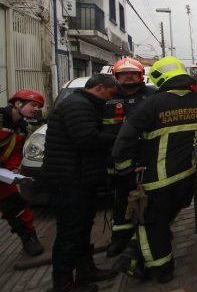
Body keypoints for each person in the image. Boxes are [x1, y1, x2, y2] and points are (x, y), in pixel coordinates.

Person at [112, 56, 197, 283]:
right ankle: (138, 255)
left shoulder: (151, 104)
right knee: (164, 221)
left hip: (156, 181)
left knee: (151, 226)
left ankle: (162, 271)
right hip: (186, 177)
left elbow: (123, 142)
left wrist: (124, 172)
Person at [42, 74, 121, 292]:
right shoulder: (78, 106)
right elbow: (87, 138)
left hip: (80, 178)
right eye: (110, 94)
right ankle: (63, 284)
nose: (110, 100)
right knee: (70, 232)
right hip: (69, 181)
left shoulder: (85, 104)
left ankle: (86, 271)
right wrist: (120, 138)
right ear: (98, 88)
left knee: (82, 228)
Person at [103, 58, 156, 257]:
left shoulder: (152, 95)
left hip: (145, 160)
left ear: (141, 75)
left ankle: (152, 237)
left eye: (132, 73)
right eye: (123, 74)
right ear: (116, 77)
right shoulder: (107, 97)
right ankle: (119, 240)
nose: (128, 77)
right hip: (117, 160)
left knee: (150, 202)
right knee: (121, 203)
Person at [0, 90, 45, 257]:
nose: (36, 109)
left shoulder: (21, 128)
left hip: (2, 175)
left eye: (38, 107)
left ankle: (29, 238)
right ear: (18, 103)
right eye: (33, 105)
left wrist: (12, 168)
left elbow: (15, 153)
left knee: (16, 206)